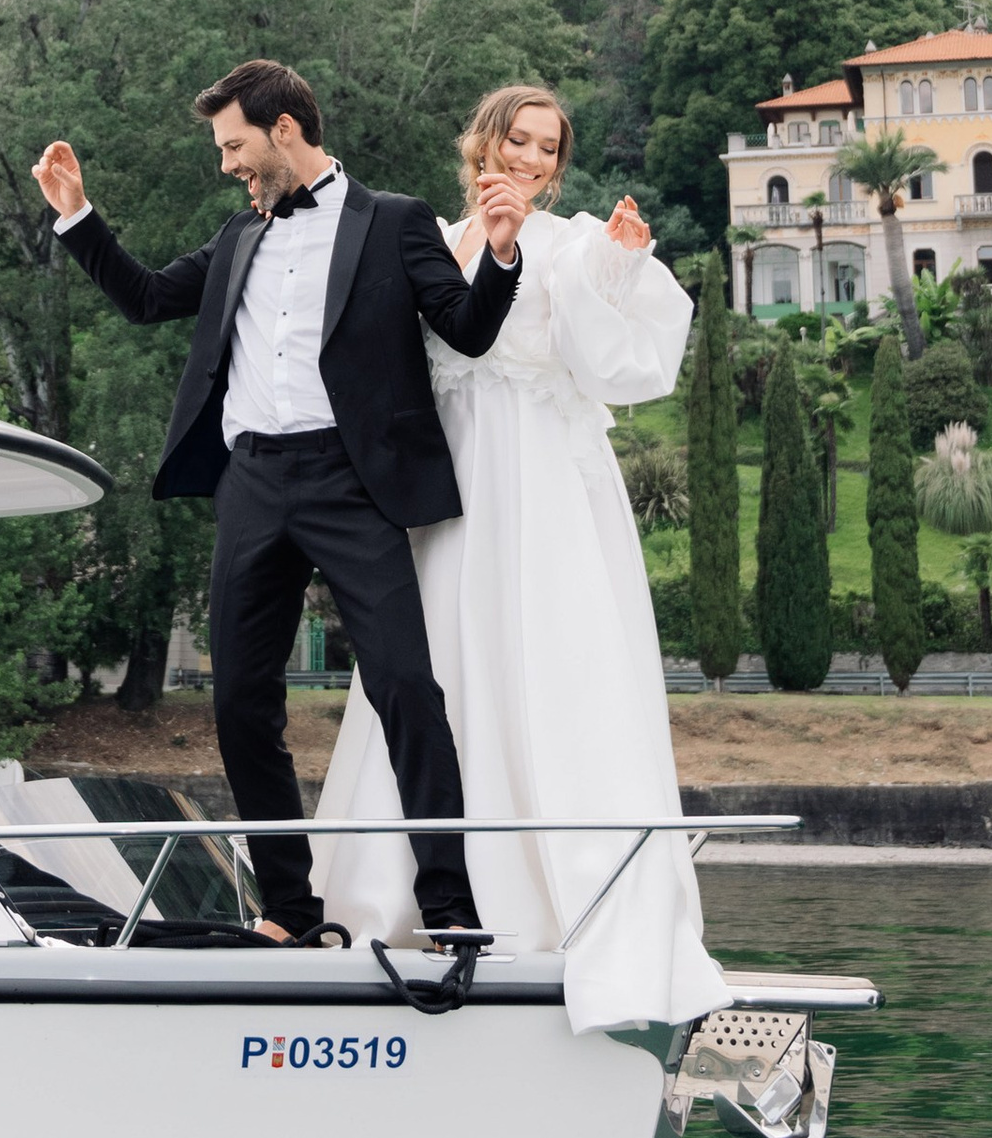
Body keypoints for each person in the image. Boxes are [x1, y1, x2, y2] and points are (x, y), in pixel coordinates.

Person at [34, 57, 528, 943]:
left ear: (285, 129)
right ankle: (293, 912)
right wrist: (75, 212)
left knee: (407, 688)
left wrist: (498, 254)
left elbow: (469, 327)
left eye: (233, 144)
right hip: (253, 482)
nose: (226, 162)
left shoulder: (395, 222)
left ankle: (451, 907)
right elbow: (146, 298)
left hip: (352, 482)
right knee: (240, 706)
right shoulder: (237, 239)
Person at [310, 84, 725, 1033]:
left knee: (550, 666)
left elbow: (622, 363)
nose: (534, 159)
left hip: (538, 487)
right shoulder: (437, 242)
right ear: (484, 141)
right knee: (436, 675)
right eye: (520, 139)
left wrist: (618, 266)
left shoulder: (571, 242)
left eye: (550, 147)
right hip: (449, 494)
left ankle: (552, 903)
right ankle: (406, 900)